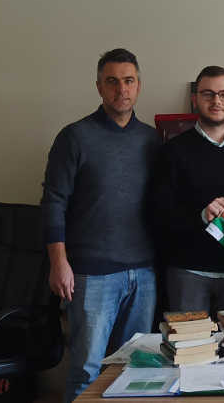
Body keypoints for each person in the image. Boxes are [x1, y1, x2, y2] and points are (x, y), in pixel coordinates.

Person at [41, 48, 160, 401]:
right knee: (86, 371)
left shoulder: (152, 139)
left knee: (136, 369)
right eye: (112, 82)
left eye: (128, 81)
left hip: (143, 273)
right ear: (98, 87)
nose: (121, 89)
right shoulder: (74, 137)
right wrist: (58, 263)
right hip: (91, 275)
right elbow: (53, 202)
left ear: (139, 86)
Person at [152, 66, 224, 317]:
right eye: (208, 94)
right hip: (188, 270)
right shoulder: (172, 151)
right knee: (190, 342)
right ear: (195, 100)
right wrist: (201, 216)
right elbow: (160, 212)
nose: (216, 101)